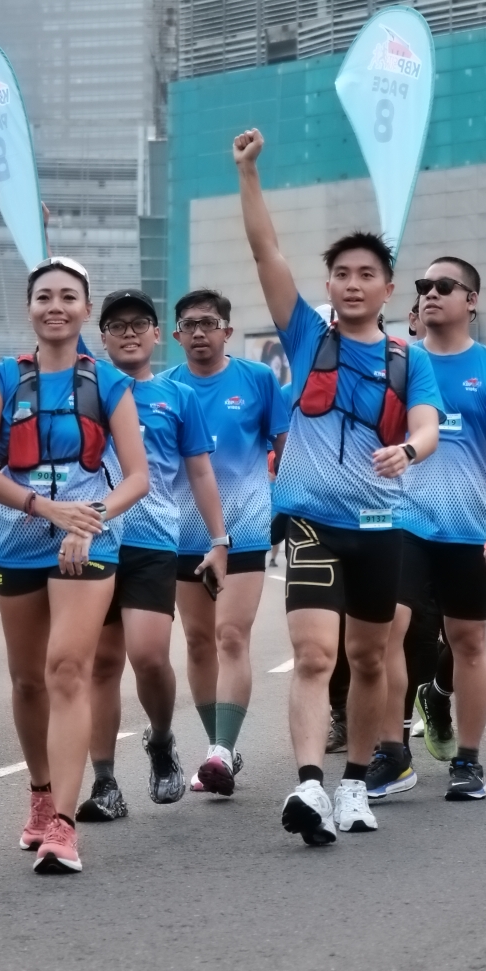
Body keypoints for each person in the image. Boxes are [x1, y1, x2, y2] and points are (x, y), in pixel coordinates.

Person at [232, 128, 442, 844]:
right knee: (317, 654)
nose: (352, 283)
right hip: (312, 520)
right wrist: (249, 173)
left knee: (370, 657)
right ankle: (308, 785)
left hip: (380, 525)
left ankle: (355, 783)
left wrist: (408, 449)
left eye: (366, 274)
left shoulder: (408, 358)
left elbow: (427, 426)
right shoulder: (306, 337)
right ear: (328, 286)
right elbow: (266, 251)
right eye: (341, 274)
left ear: (388, 288)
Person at [0, 257, 149, 876]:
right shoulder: (2, 379)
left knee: (68, 669)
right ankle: (40, 794)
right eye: (44, 296)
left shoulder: (109, 384)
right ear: (29, 309)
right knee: (27, 680)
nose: (56, 306)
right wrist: (46, 508)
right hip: (16, 540)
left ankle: (64, 825)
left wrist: (87, 519)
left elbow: (137, 477)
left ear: (86, 310)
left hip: (87, 543)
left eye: (69, 296)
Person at [76, 288, 229, 822]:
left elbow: (201, 472)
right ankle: (104, 782)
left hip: (153, 540)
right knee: (102, 664)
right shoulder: (85, 392)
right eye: (117, 326)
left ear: (158, 334)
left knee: (149, 657)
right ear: (102, 338)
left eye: (140, 323)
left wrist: (219, 540)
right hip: (96, 540)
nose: (129, 333)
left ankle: (161, 738)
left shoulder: (176, 397)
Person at [387, 258, 486, 800]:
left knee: (467, 640)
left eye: (444, 286)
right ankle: (391, 754)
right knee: (389, 631)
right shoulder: (397, 363)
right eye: (423, 286)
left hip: (469, 526)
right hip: (401, 520)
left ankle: (468, 762)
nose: (430, 293)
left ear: (471, 300)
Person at [166, 285, 290, 794]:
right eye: (189, 325)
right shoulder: (165, 388)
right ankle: (219, 747)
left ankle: (219, 752)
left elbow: (287, 448)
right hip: (183, 534)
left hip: (245, 531)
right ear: (176, 335)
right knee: (198, 643)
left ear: (227, 331)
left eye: (208, 324)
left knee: (231, 636)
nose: (199, 332)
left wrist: (281, 505)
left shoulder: (258, 380)